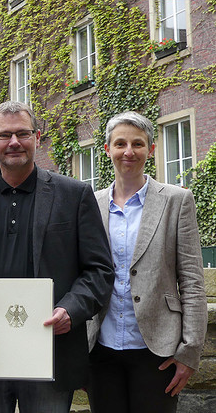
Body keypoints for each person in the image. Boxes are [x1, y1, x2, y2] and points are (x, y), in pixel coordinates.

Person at [0, 100, 115, 413]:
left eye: (22, 133)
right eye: (3, 135)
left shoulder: (74, 195)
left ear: (37, 137)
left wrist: (71, 309)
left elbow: (99, 270)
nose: (13, 142)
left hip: (51, 354)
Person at [87, 111, 207, 413]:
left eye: (138, 144)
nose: (129, 152)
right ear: (107, 150)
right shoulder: (90, 203)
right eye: (120, 144)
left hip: (158, 350)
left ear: (151, 150)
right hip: (101, 348)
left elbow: (192, 281)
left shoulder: (177, 200)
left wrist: (189, 352)